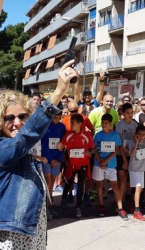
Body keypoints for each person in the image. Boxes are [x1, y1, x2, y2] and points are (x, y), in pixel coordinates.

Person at [0, 59, 77, 249]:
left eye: (22, 116)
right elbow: (25, 138)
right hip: (11, 238)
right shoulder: (4, 148)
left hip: (33, 236)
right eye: (9, 118)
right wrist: (58, 92)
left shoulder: (24, 153)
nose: (17, 122)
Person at [58, 114, 95, 219]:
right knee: (68, 181)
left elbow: (93, 148)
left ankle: (78, 207)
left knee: (80, 184)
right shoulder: (68, 134)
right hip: (71, 164)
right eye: (70, 122)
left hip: (83, 164)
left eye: (73, 123)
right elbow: (61, 146)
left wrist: (90, 151)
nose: (71, 125)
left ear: (80, 124)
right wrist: (59, 147)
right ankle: (64, 198)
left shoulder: (87, 135)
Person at [93, 113, 128, 220]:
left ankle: (120, 207)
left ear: (110, 124)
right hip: (98, 164)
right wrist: (100, 161)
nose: (104, 125)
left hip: (111, 164)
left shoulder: (115, 135)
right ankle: (101, 206)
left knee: (115, 185)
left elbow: (116, 150)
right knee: (100, 185)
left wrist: (106, 161)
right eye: (102, 123)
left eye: (106, 123)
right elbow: (94, 149)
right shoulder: (98, 135)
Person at [41, 111, 66, 217]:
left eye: (58, 118)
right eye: (54, 118)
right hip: (47, 158)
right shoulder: (46, 126)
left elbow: (63, 143)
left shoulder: (62, 127)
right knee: (48, 181)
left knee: (52, 181)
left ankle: (49, 204)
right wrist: (51, 159)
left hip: (57, 159)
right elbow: (42, 144)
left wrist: (58, 158)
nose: (56, 120)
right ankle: (45, 206)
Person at [115, 103, 138, 211]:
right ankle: (119, 203)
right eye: (127, 113)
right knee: (122, 179)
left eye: (131, 112)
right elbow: (119, 144)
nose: (130, 115)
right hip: (121, 156)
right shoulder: (120, 125)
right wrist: (124, 160)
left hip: (132, 156)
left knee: (129, 180)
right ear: (123, 114)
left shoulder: (135, 125)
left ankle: (128, 199)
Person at [128, 125, 145, 221]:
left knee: (140, 189)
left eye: (143, 135)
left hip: (142, 169)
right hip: (134, 168)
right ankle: (137, 211)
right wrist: (136, 142)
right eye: (139, 135)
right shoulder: (131, 142)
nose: (141, 136)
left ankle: (134, 205)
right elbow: (132, 154)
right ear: (136, 135)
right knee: (138, 187)